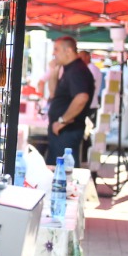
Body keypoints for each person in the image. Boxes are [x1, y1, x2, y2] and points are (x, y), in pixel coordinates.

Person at [46, 35, 93, 164]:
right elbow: (52, 92)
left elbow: (82, 97)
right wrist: (54, 69)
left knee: (64, 172)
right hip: (61, 131)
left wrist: (62, 120)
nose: (53, 53)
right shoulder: (69, 69)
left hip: (68, 131)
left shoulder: (77, 70)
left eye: (56, 49)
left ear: (68, 51)